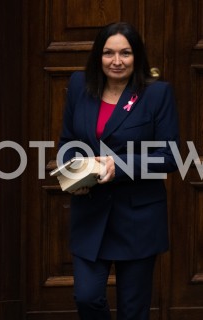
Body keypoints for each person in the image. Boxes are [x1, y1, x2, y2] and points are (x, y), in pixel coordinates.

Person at [57, 22, 180, 320]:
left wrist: (119, 166)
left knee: (133, 311)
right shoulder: (79, 86)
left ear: (136, 56)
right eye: (108, 53)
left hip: (138, 218)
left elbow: (170, 156)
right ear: (98, 56)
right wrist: (76, 171)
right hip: (90, 212)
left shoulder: (156, 94)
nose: (116, 61)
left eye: (125, 53)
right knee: (87, 297)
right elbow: (67, 142)